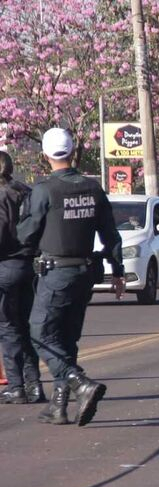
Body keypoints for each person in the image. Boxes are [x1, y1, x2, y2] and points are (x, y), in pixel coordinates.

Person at [17, 128, 126, 426]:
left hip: (56, 272)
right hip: (86, 272)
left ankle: (80, 383)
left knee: (39, 332)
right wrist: (118, 271)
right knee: (66, 337)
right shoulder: (93, 189)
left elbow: (27, 234)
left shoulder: (44, 190)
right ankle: (59, 405)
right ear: (72, 152)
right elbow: (110, 234)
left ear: (45, 155)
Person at [0, 150, 44, 405]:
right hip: (28, 265)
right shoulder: (26, 192)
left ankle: (17, 387)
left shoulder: (4, 195)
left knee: (8, 328)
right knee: (25, 326)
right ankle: (34, 385)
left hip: (7, 264)